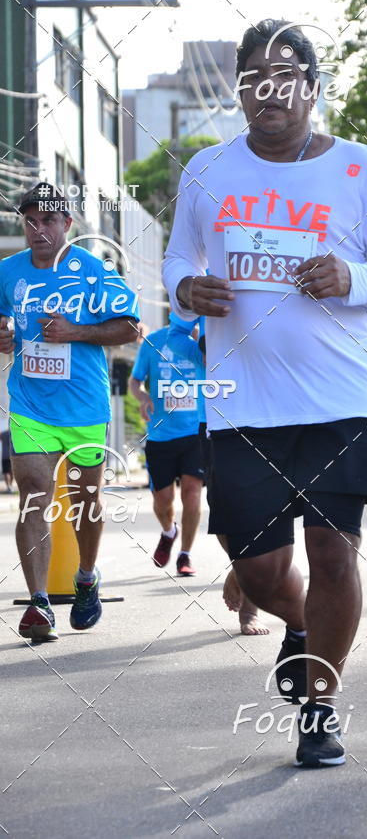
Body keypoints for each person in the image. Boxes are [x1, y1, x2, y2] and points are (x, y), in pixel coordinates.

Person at [162, 19, 367, 766]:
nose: (268, 89)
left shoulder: (361, 169)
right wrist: (186, 287)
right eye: (253, 77)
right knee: (254, 568)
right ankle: (304, 629)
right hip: (243, 403)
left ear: (312, 89)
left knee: (335, 555)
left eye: (285, 75)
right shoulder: (208, 172)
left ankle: (320, 707)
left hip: (342, 399)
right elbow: (177, 260)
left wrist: (357, 280)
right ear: (241, 92)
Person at [0, 182, 139, 640]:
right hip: (29, 403)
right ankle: (39, 603)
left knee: (85, 504)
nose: (38, 229)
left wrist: (75, 331)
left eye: (49, 220)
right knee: (35, 493)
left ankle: (86, 577)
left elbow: (130, 326)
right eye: (31, 221)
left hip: (83, 406)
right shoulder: (9, 272)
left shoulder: (91, 270)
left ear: (68, 224)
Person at [165, 313, 269, 636]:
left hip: (271, 412)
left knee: (266, 509)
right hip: (215, 416)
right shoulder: (201, 286)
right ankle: (242, 567)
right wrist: (203, 351)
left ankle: (249, 601)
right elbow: (175, 337)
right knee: (224, 510)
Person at [129, 317, 207, 578]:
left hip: (195, 430)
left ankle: (185, 554)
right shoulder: (154, 342)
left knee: (192, 492)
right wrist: (142, 398)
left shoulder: (206, 341)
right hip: (161, 434)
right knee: (163, 501)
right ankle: (168, 532)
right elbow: (135, 381)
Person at [1, 427, 14, 492]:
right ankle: (11, 486)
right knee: (11, 471)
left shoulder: (4, 434)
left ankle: (8, 487)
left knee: (6, 472)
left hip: (5, 455)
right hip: (13, 455)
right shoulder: (15, 433)